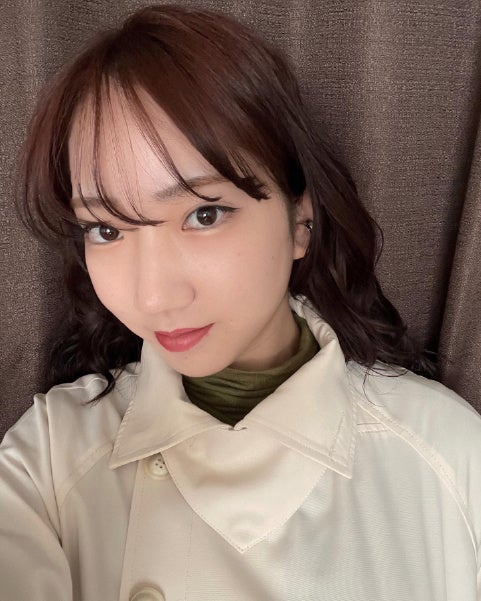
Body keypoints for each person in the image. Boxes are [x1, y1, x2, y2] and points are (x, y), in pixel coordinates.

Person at [1, 4, 480, 600]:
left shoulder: (449, 456)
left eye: (204, 215)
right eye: (106, 229)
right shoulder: (47, 461)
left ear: (300, 221)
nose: (153, 295)